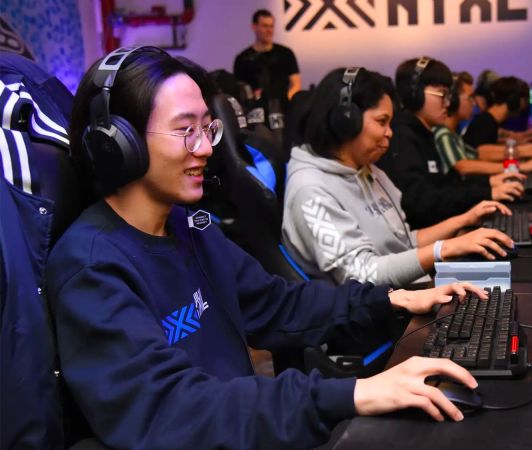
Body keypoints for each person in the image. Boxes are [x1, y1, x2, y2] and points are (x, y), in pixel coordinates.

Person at [49, 47, 485, 449]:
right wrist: (353, 394)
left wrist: (388, 301)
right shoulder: (91, 267)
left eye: (207, 128)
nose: (205, 148)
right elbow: (173, 408)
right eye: (185, 131)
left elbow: (278, 304)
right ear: (116, 143)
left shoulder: (189, 228)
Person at [282, 67, 515, 287]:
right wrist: (444, 249)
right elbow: (362, 273)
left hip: (406, 293)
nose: (390, 133)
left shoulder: (367, 171)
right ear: (346, 121)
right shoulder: (310, 191)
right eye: (382, 122)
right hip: (374, 311)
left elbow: (403, 242)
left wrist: (464, 221)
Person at [376, 57, 524, 229]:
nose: (447, 103)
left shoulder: (423, 134)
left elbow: (444, 187)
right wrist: (487, 193)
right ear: (415, 94)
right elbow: (420, 202)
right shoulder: (402, 138)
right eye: (442, 95)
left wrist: (489, 185)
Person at [434, 72, 532, 177]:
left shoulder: (454, 135)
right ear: (453, 100)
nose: (474, 103)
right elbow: (464, 165)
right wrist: (519, 165)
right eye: (470, 98)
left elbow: (477, 155)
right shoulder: (443, 133)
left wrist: (524, 153)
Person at [463, 76, 532, 162]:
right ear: (514, 100)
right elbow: (479, 151)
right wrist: (524, 151)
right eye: (525, 100)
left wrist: (521, 144)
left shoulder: (490, 121)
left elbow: (491, 145)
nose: (526, 105)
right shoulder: (483, 122)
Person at [233, 9, 301, 107]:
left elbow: (296, 84)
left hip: (283, 108)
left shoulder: (286, 53)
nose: (269, 30)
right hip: (254, 109)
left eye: (271, 26)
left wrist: (286, 100)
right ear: (254, 27)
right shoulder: (242, 59)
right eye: (265, 26)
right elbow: (239, 90)